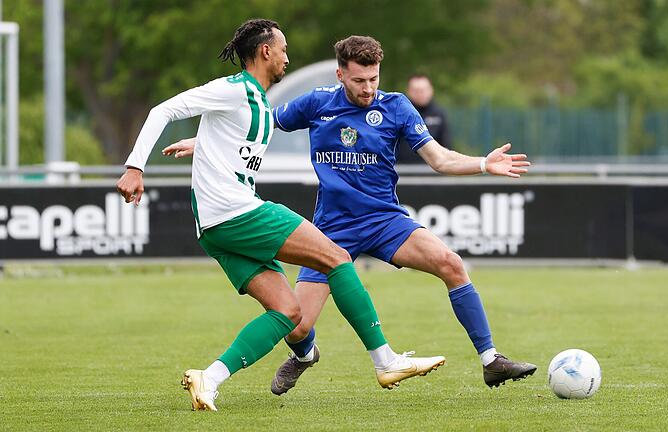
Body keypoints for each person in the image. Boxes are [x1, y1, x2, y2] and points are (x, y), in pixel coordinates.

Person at [164, 35, 535, 396]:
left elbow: (440, 159)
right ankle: (305, 355)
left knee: (450, 263)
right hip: (332, 228)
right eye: (359, 80)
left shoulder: (397, 107)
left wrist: (484, 163)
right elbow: (258, 122)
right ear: (340, 75)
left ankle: (491, 360)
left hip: (385, 220)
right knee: (296, 324)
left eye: (374, 79)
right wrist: (204, 142)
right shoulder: (316, 102)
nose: (368, 88)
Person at [117, 21, 444, 412]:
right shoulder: (234, 89)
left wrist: (200, 142)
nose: (288, 57)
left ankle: (210, 378)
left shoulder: (255, 102)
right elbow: (163, 110)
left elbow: (231, 136)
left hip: (213, 227)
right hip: (236, 211)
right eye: (284, 49)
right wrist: (135, 167)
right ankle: (385, 361)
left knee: (288, 312)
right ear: (266, 52)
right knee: (336, 257)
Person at [396, 74, 452, 164]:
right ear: (408, 91)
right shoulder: (399, 114)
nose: (420, 93)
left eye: (423, 90)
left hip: (432, 172)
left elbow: (446, 145)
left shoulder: (439, 114)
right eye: (416, 90)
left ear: (431, 90)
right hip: (402, 171)